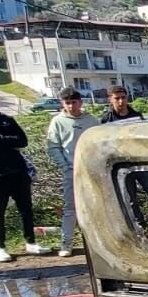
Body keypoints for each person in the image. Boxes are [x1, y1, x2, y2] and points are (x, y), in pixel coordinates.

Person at [0, 87, 53, 264]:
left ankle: (31, 242)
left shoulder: (7, 120)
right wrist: (7, 142)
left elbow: (22, 141)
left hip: (17, 171)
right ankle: (1, 247)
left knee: (26, 209)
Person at [99, 85, 148, 224]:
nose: (120, 101)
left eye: (123, 98)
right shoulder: (106, 120)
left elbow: (146, 139)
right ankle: (140, 226)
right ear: (110, 99)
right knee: (130, 199)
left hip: (140, 162)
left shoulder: (136, 116)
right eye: (117, 98)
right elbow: (104, 145)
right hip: (121, 165)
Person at [45, 87, 99, 257]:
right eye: (67, 103)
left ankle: (96, 243)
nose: (71, 106)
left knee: (94, 206)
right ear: (63, 104)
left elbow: (98, 143)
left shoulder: (92, 120)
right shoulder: (57, 121)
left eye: (73, 102)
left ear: (80, 102)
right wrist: (65, 166)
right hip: (70, 171)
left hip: (90, 169)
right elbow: (53, 146)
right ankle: (66, 243)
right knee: (70, 209)